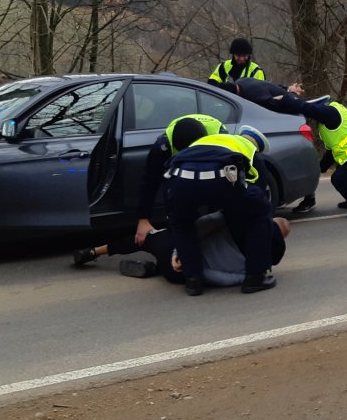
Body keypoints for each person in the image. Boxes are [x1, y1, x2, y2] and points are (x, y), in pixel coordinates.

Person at [222, 79, 347, 218]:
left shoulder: (331, 112)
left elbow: (307, 109)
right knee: (345, 174)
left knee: (340, 178)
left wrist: (286, 99)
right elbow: (332, 150)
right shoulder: (327, 125)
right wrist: (321, 167)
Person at [165, 125, 276, 296]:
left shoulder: (207, 141)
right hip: (222, 178)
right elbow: (258, 190)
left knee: (180, 223)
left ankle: (193, 280)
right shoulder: (249, 150)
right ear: (257, 146)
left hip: (180, 178)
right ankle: (255, 278)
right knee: (259, 212)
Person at [72, 214, 290, 288]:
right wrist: (195, 272)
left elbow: (205, 223)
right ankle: (155, 269)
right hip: (181, 276)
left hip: (174, 249)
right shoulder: (259, 264)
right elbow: (222, 279)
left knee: (144, 239)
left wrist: (181, 250)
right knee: (167, 261)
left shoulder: (241, 222)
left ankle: (94, 252)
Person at [129, 114, 228, 246]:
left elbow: (230, 186)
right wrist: (143, 219)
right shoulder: (163, 146)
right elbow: (149, 182)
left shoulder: (221, 141)